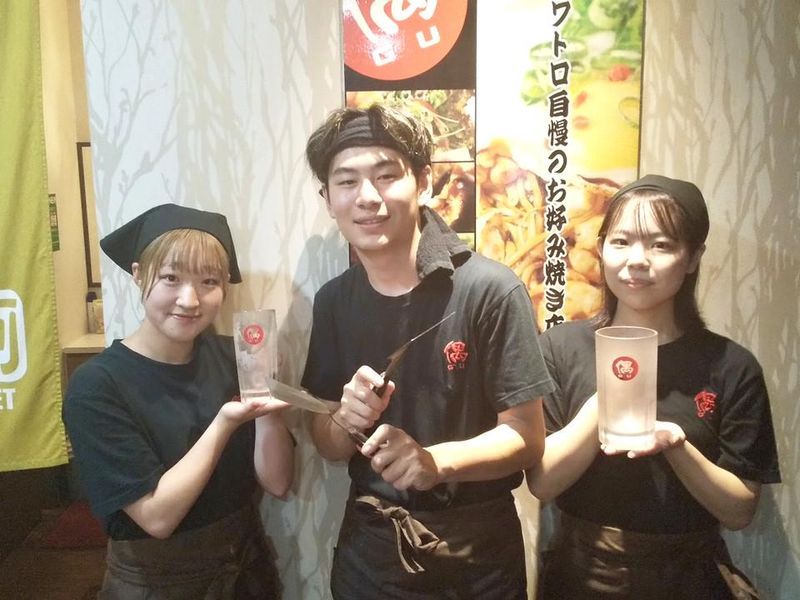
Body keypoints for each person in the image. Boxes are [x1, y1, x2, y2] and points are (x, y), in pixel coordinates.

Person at [301, 104, 554, 599]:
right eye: (347, 181)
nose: (367, 197)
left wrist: (435, 462)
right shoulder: (333, 301)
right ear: (328, 199)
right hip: (371, 551)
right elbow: (327, 445)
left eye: (386, 176)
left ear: (424, 182)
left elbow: (527, 438)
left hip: (476, 556)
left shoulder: (490, 290)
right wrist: (344, 419)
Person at [526, 175, 781, 599]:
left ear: (693, 257)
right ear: (602, 249)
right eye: (621, 241)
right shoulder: (560, 347)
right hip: (581, 574)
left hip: (688, 577)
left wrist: (676, 445)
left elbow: (739, 511)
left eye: (661, 245)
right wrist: (607, 401)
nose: (637, 260)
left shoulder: (732, 366)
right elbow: (542, 483)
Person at [63, 203, 294, 599]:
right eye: (171, 278)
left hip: (245, 572)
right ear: (138, 275)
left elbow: (277, 483)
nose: (189, 300)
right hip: (156, 583)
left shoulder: (235, 357)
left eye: (209, 281)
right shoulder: (96, 386)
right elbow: (157, 518)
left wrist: (268, 407)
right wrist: (225, 423)